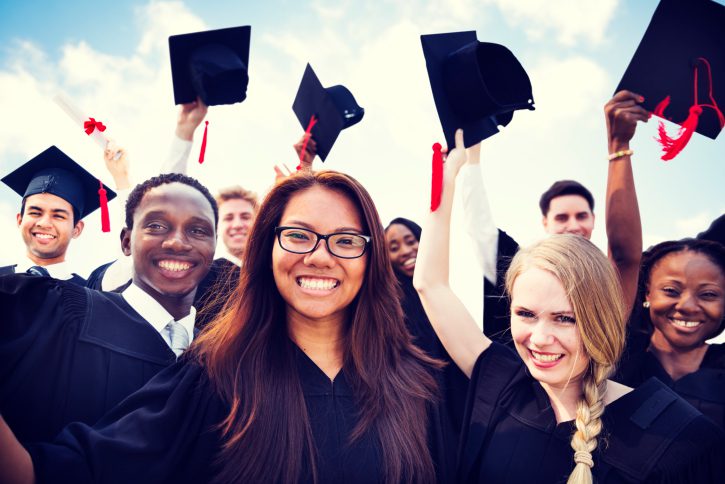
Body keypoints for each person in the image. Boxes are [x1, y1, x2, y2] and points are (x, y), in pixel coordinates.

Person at [0, 170, 452, 484]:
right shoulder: (216, 374)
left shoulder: (417, 385)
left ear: (370, 258)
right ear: (265, 249)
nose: (320, 255)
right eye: (297, 235)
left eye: (346, 240)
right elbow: (72, 470)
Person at [413, 129, 724, 483]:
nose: (540, 339)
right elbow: (430, 284)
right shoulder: (503, 382)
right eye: (525, 314)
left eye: (565, 318)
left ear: (603, 319)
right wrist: (449, 177)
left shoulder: (681, 441)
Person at [0, 173, 217, 444]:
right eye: (157, 226)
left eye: (198, 230)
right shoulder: (67, 312)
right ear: (126, 242)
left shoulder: (222, 355)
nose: (177, 242)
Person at [462, 90, 645, 342]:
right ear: (545, 223)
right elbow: (478, 229)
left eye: (581, 216)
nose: (573, 226)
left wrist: (619, 146)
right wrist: (469, 154)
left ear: (593, 220)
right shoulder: (519, 270)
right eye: (562, 218)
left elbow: (624, 256)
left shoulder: (606, 284)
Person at [615, 238, 725, 429]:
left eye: (708, 294)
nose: (687, 306)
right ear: (647, 293)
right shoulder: (618, 362)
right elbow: (623, 255)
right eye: (671, 291)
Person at [0, 146, 118, 284]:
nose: (44, 223)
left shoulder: (89, 296)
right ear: (19, 220)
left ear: (77, 229)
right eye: (35, 212)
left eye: (58, 216)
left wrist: (121, 178)